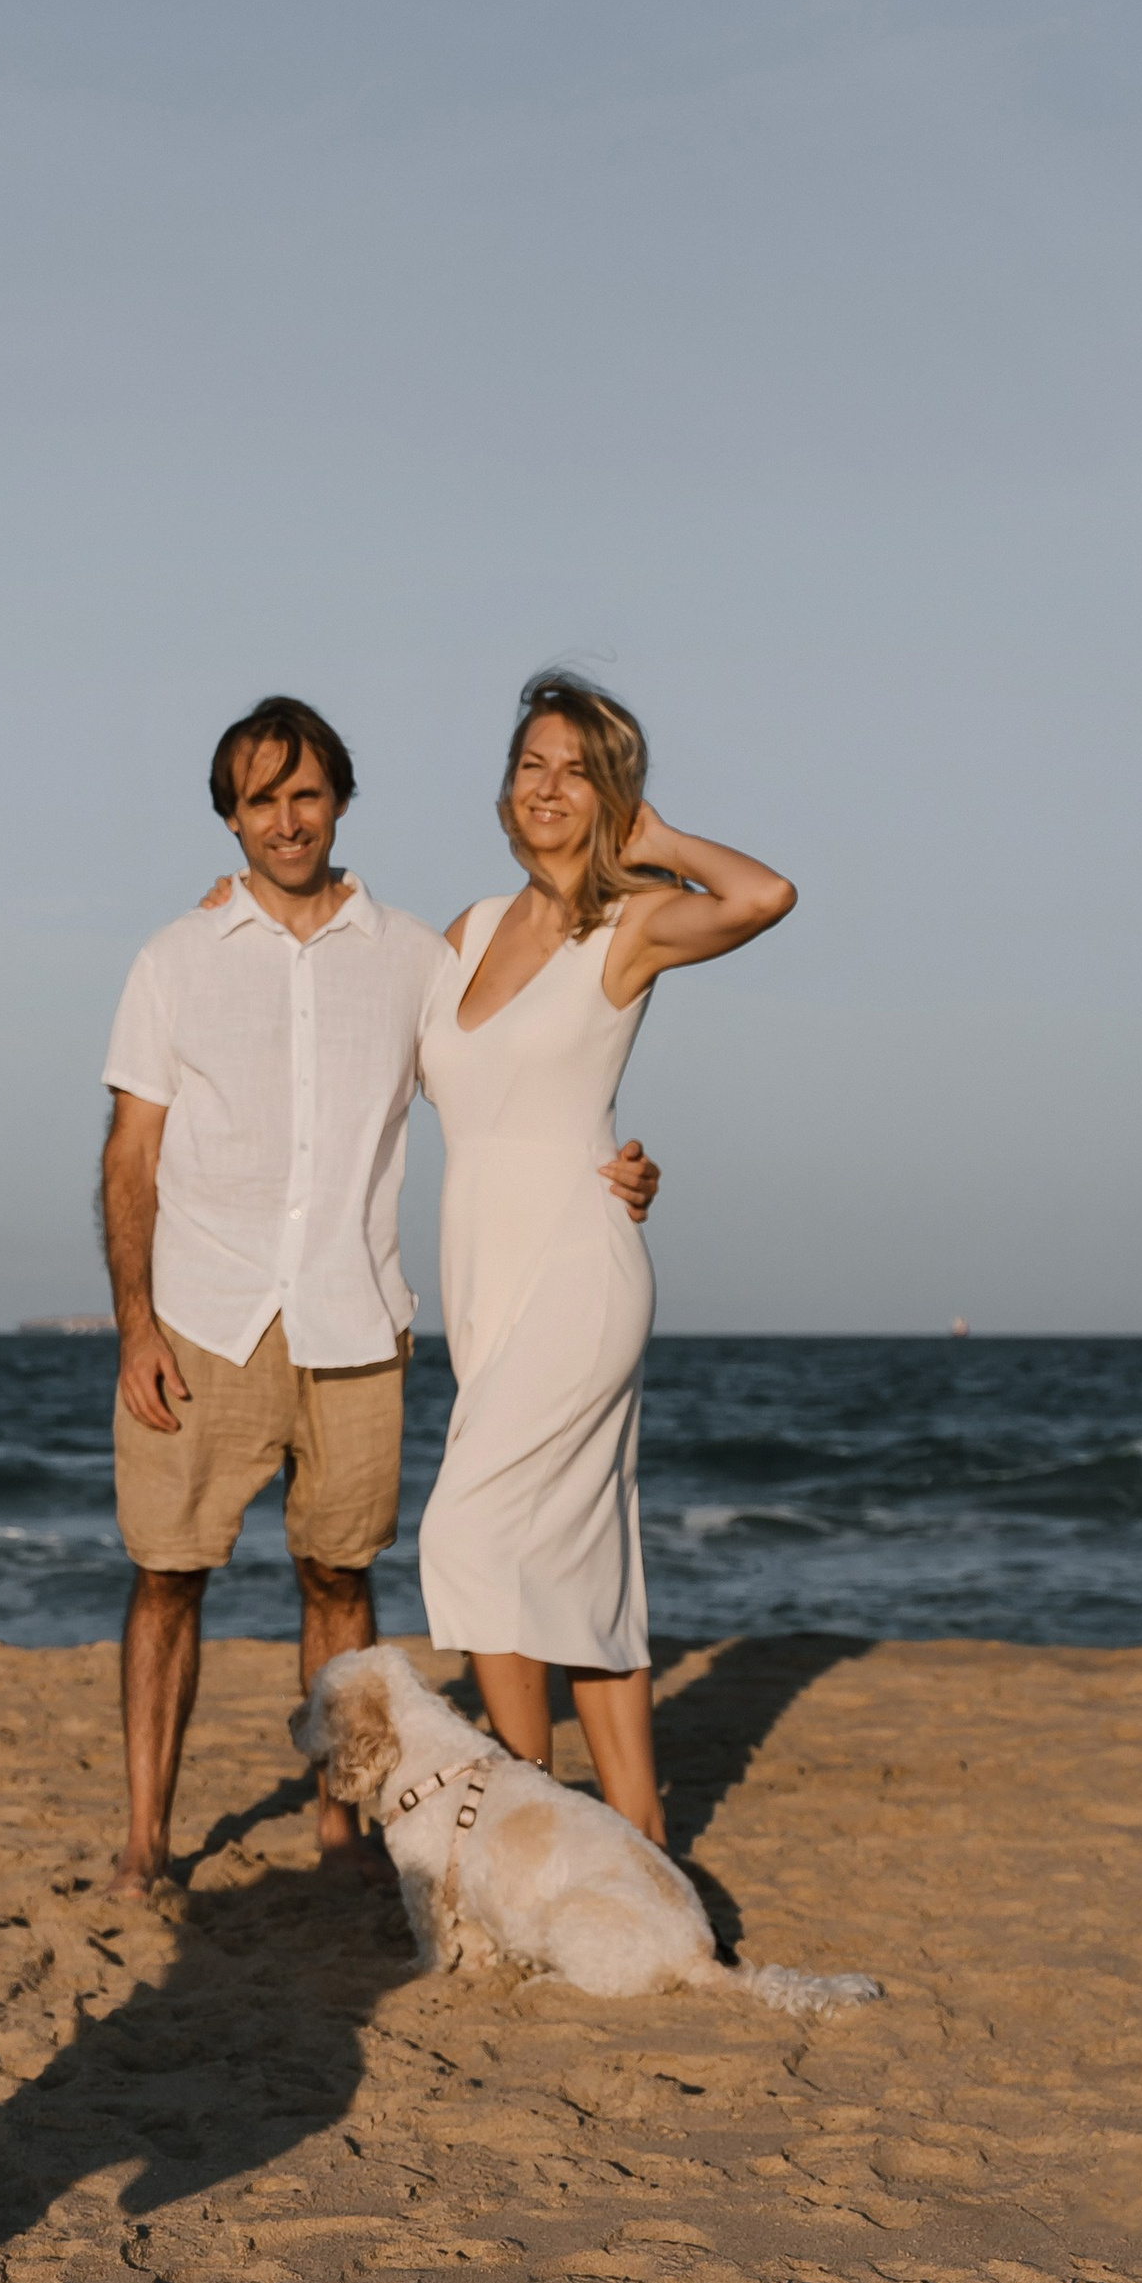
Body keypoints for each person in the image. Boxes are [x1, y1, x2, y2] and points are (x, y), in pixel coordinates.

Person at [101, 696, 661, 1904]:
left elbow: (514, 1067)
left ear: (339, 801)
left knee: (338, 1579)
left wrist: (608, 1161)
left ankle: (339, 1833)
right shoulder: (173, 958)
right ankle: (146, 1839)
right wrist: (135, 1324)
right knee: (166, 1575)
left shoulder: (421, 955)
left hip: (355, 1317)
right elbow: (130, 1150)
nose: (286, 821)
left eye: (306, 795)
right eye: (260, 801)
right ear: (229, 817)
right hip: (203, 1318)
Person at [417, 669, 794, 1846]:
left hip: (579, 1270)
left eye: (578, 770)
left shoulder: (629, 924)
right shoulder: (468, 930)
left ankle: (525, 1811)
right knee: (576, 1553)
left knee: (465, 1536)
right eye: (532, 763)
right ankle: (637, 1830)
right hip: (484, 1277)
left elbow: (765, 894)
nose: (547, 787)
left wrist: (660, 838)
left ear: (611, 794)